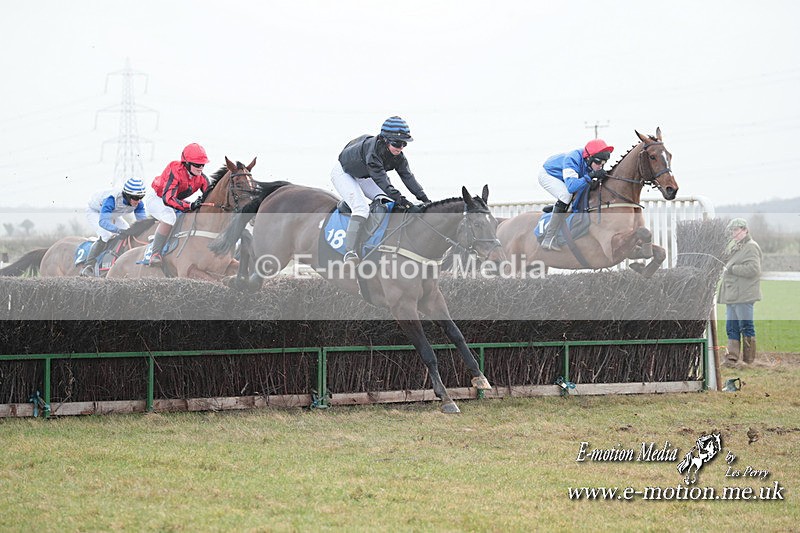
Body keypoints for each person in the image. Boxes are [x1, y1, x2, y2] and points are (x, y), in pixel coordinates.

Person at [331, 116, 431, 262]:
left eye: (404, 144)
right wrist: (407, 204)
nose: (400, 147)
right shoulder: (373, 153)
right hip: (344, 173)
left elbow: (408, 177)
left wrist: (424, 199)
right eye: (397, 143)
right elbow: (384, 183)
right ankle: (349, 252)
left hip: (365, 175)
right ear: (385, 139)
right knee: (361, 208)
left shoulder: (399, 156)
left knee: (390, 202)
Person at [537, 138, 614, 251]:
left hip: (566, 177)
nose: (600, 166)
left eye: (603, 163)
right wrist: (591, 175)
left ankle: (557, 208)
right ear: (589, 158)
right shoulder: (572, 158)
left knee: (576, 197)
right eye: (598, 162)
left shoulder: (589, 161)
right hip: (549, 174)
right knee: (566, 195)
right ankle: (548, 238)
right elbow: (572, 186)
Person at [142, 143, 210, 265]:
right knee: (169, 217)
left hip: (174, 201)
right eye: (197, 164)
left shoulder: (202, 178)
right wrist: (189, 206)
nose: (200, 168)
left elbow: (210, 197)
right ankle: (155, 254)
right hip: (157, 199)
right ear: (187, 163)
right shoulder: (174, 169)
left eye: (203, 164)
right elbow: (168, 199)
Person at [81, 177, 147, 276]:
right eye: (136, 198)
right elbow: (103, 222)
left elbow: (143, 222)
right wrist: (117, 230)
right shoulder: (111, 199)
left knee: (127, 230)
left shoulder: (138, 203)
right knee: (106, 235)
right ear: (128, 196)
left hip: (112, 213)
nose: (138, 201)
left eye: (141, 197)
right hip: (95, 212)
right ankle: (88, 266)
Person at [719, 218, 762, 367]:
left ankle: (748, 361)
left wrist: (732, 269)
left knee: (746, 326)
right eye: (732, 230)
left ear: (745, 230)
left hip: (744, 295)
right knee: (731, 327)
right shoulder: (736, 247)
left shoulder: (751, 247)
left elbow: (754, 270)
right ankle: (732, 359)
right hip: (732, 295)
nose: (734, 233)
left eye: (736, 230)